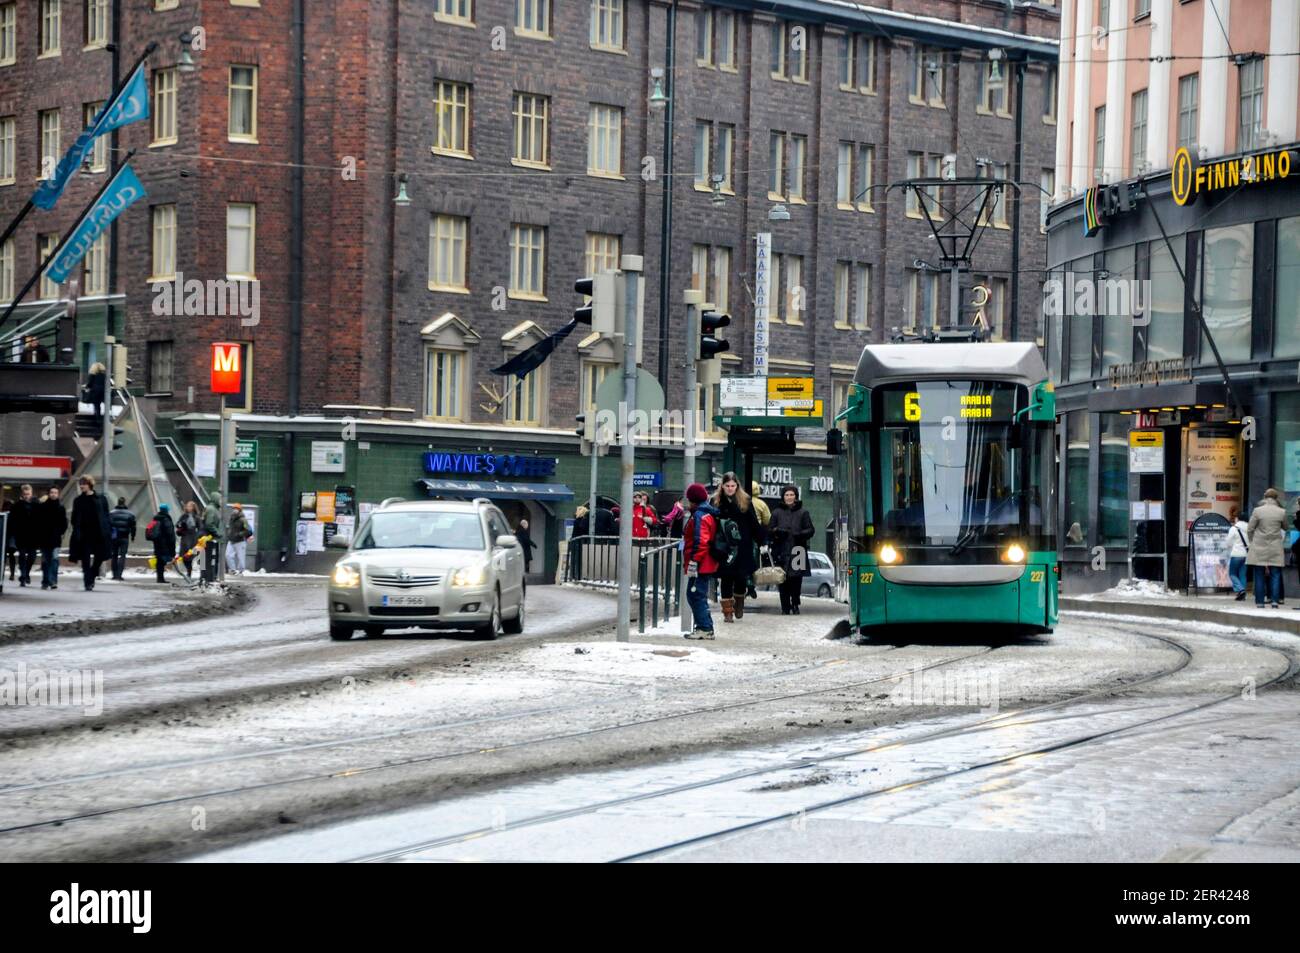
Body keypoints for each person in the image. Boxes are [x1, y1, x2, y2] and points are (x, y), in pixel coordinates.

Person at [710, 472, 763, 622]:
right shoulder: (715, 501)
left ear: (737, 486)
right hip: (724, 545)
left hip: (742, 545)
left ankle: (739, 602)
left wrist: (762, 541)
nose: (730, 488)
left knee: (741, 578)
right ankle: (727, 612)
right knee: (726, 579)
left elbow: (754, 523)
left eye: (733, 486)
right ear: (722, 486)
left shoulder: (745, 501)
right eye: (727, 486)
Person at [681, 482, 719, 640]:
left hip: (701, 563)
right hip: (704, 561)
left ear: (693, 499)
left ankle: (704, 628)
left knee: (695, 594)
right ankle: (704, 626)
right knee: (695, 594)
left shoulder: (700, 515)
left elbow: (700, 541)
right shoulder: (705, 513)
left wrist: (694, 561)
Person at [770, 483, 814, 615]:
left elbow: (811, 530)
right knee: (781, 579)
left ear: (796, 496)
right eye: (786, 495)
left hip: (798, 549)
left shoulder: (803, 512)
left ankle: (795, 603)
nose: (789, 497)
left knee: (796, 579)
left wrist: (800, 534)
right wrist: (777, 531)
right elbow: (769, 530)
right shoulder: (776, 512)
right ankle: (785, 606)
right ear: (783, 497)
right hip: (781, 550)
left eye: (791, 495)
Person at [69, 475, 111, 591]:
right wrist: (76, 528)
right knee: (85, 559)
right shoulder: (78, 500)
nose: (82, 486)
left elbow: (106, 514)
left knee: (100, 557)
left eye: (84, 483)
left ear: (90, 485)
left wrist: (107, 527)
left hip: (99, 533)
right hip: (84, 534)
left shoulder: (101, 499)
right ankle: (87, 582)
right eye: (80, 484)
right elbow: (74, 517)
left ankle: (92, 575)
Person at [1246, 488, 1287, 608]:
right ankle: (1274, 601)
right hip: (1275, 546)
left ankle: (1259, 602)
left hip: (1259, 545)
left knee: (1259, 574)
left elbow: (1250, 529)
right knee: (1275, 574)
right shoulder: (1281, 511)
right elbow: (1285, 527)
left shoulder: (1257, 511)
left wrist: (1252, 541)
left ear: (1265, 497)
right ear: (1276, 498)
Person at [35, 486, 67, 590]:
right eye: (52, 492)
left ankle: (53, 581)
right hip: (44, 538)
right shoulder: (42, 507)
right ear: (49, 494)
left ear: (58, 494)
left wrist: (60, 532)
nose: (53, 494)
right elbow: (38, 522)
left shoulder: (61, 508)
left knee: (54, 559)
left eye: (55, 493)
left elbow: (64, 523)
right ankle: (45, 581)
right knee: (45, 560)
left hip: (56, 538)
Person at [9, 484, 39, 587]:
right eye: (25, 494)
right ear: (22, 494)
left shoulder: (37, 505)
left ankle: (26, 573)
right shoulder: (17, 506)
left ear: (32, 493)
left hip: (33, 535)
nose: (27, 496)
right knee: (22, 556)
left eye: (28, 494)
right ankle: (23, 576)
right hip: (21, 535)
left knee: (32, 556)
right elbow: (12, 520)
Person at [108, 495, 136, 580]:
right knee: (122, 556)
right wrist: (133, 536)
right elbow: (133, 527)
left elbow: (108, 525)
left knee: (114, 555)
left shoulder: (112, 513)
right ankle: (119, 575)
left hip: (114, 537)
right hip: (124, 537)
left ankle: (114, 574)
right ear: (124, 503)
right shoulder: (130, 514)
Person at [149, 503, 177, 583]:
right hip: (165, 543)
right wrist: (172, 544)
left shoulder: (155, 518)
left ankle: (160, 578)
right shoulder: (166, 519)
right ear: (167, 510)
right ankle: (161, 578)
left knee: (159, 560)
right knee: (162, 560)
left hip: (157, 542)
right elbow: (170, 533)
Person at [1228, 506, 1250, 601]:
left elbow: (1228, 542)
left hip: (1236, 554)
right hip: (1246, 554)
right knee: (1242, 575)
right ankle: (1242, 594)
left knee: (1232, 573)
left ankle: (1240, 590)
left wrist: (1233, 545)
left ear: (1238, 518)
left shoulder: (1234, 528)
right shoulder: (1250, 528)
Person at [225, 502, 253, 575]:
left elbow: (249, 530)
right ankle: (232, 570)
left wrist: (240, 534)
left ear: (239, 510)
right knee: (228, 555)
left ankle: (241, 571)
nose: (234, 510)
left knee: (241, 558)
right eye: (234, 508)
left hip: (240, 541)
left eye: (236, 509)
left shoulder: (243, 520)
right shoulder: (231, 518)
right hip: (231, 540)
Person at [201, 493, 224, 582]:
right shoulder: (212, 509)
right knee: (208, 559)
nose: (221, 501)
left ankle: (207, 577)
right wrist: (218, 533)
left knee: (207, 559)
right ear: (215, 499)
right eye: (220, 499)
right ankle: (208, 578)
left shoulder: (213, 509)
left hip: (208, 537)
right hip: (208, 538)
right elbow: (209, 524)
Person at [176, 500, 201, 579]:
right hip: (184, 537)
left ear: (193, 508)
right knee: (183, 556)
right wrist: (181, 525)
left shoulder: (196, 517)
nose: (189, 508)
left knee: (190, 555)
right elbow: (177, 524)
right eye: (188, 506)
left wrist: (199, 536)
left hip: (193, 538)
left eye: (190, 506)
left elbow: (200, 527)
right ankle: (188, 570)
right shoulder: (184, 516)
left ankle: (189, 572)